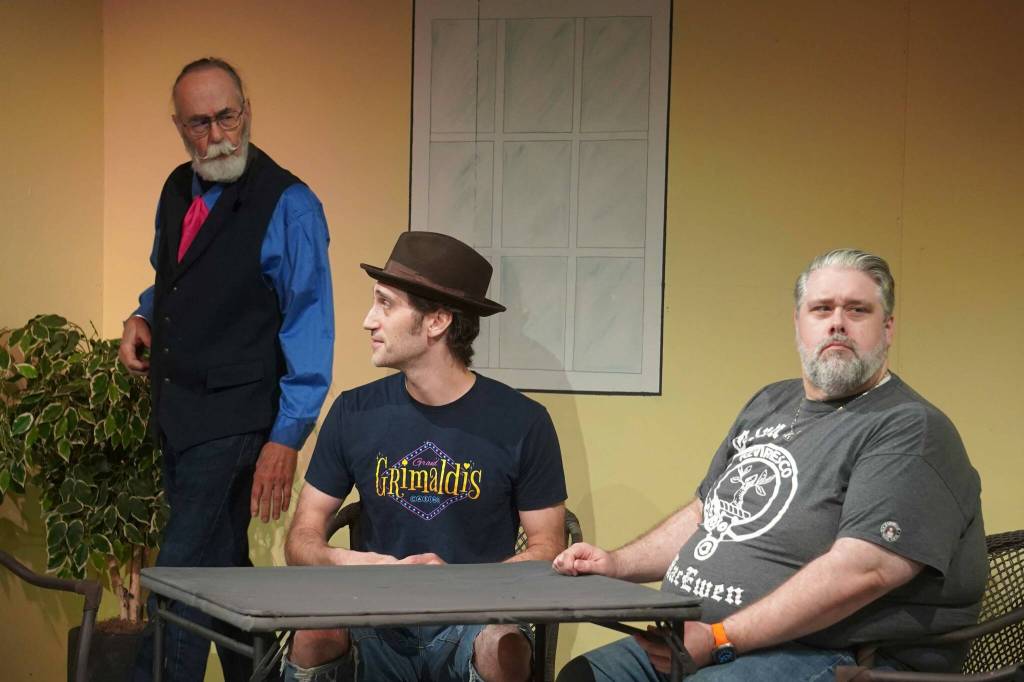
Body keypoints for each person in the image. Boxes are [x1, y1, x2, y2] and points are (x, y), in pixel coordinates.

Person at [553, 249, 986, 681]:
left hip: (839, 655)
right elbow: (708, 513)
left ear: (887, 328)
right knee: (583, 675)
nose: (838, 322)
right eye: (821, 309)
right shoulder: (770, 402)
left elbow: (865, 571)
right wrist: (616, 563)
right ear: (799, 323)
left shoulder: (909, 428)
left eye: (857, 310)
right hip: (702, 639)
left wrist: (720, 638)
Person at [118, 57, 334, 682]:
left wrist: (286, 436)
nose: (215, 136)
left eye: (226, 117)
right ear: (179, 127)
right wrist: (143, 316)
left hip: (238, 419)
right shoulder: (175, 189)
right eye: (198, 124)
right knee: (220, 570)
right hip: (178, 415)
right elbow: (177, 282)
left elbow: (310, 327)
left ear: (247, 111)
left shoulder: (290, 205)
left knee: (179, 576)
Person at [283, 231, 568, 682]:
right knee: (313, 630)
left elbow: (548, 547)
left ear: (436, 321)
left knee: (503, 646)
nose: (368, 320)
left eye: (386, 304)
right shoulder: (353, 411)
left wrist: (457, 586)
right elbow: (301, 538)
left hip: (473, 619)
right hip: (372, 620)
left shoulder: (523, 422)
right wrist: (359, 564)